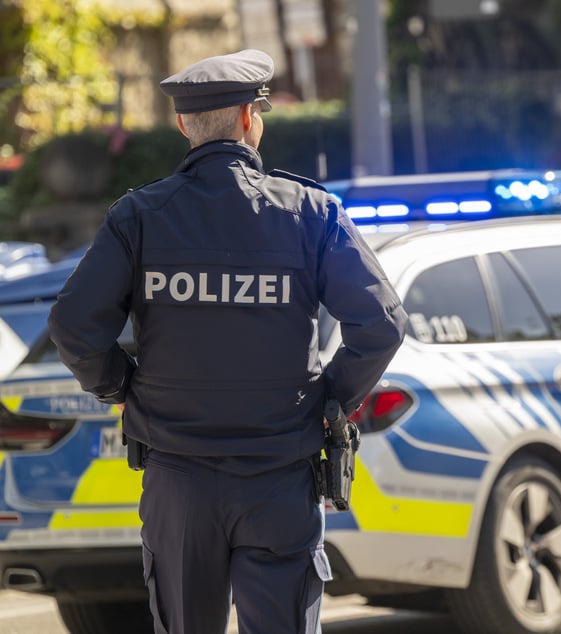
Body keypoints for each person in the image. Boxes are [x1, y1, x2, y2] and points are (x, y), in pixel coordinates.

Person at [47, 49, 408, 634]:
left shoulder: (138, 216)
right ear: (249, 118)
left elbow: (72, 325)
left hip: (178, 479)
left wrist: (121, 387)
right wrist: (330, 400)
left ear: (186, 125)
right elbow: (382, 323)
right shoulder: (310, 213)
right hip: (279, 478)